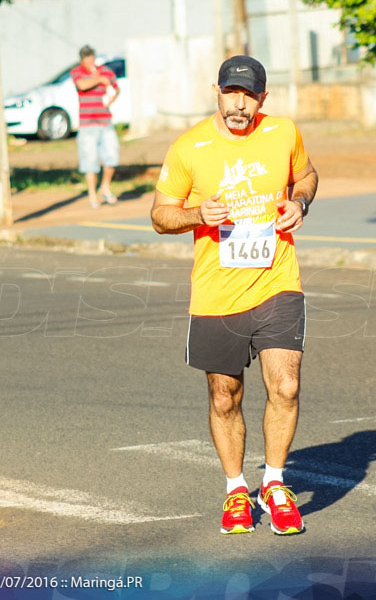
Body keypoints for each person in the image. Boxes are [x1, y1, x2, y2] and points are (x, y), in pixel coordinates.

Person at [151, 55, 319, 535]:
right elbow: (160, 215)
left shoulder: (284, 132)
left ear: (262, 98)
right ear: (216, 92)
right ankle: (235, 490)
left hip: (277, 281)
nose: (239, 104)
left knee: (285, 384)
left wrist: (299, 201)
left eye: (248, 95)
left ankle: (276, 482)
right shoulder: (190, 148)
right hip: (215, 294)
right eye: (231, 93)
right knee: (225, 396)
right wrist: (197, 214)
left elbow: (306, 175)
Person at [70, 45, 120, 209]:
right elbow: (81, 85)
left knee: (112, 156)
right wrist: (98, 80)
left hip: (105, 121)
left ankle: (105, 186)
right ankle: (92, 194)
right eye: (86, 59)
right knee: (90, 160)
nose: (89, 61)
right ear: (81, 60)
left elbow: (116, 87)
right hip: (87, 124)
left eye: (91, 58)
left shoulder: (105, 70)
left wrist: (112, 98)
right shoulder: (77, 72)